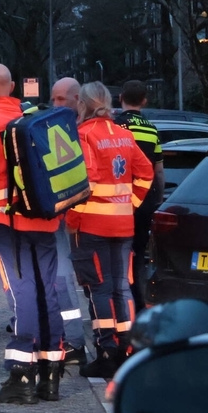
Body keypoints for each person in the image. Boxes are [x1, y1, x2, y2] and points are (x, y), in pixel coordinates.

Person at [0, 63, 65, 404]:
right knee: (47, 290)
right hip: (45, 218)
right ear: (14, 86)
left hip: (8, 222)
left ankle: (21, 375)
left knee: (22, 293)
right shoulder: (33, 116)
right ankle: (51, 374)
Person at [66, 82, 154, 379]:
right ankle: (127, 348)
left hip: (92, 224)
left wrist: (72, 219)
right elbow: (146, 173)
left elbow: (85, 182)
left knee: (99, 289)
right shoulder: (124, 134)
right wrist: (130, 204)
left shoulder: (84, 135)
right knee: (122, 286)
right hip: (123, 223)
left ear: (82, 104)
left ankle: (106, 351)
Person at [114, 80, 165, 314]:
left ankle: (122, 302)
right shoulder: (152, 130)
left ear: (120, 98)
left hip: (117, 200)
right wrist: (158, 198)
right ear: (144, 101)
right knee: (138, 254)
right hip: (144, 200)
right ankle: (139, 302)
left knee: (117, 255)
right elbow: (158, 171)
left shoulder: (115, 126)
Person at [50, 76, 89, 365]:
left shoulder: (86, 132)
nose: (55, 104)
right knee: (63, 280)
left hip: (87, 221)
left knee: (93, 284)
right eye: (53, 98)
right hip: (66, 219)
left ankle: (83, 342)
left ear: (78, 100)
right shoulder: (55, 128)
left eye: (61, 99)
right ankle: (74, 340)